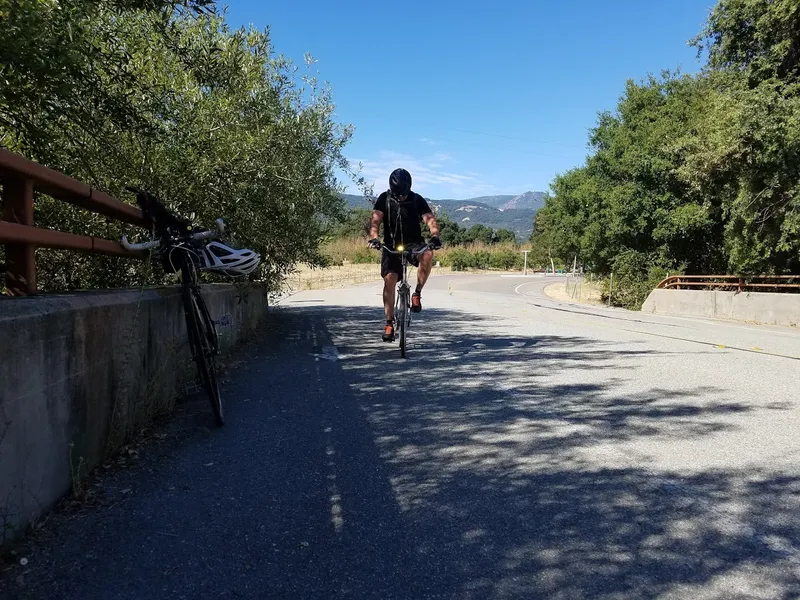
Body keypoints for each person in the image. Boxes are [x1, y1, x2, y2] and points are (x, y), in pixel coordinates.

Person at [367, 168, 441, 342]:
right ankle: (389, 323)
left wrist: (435, 236)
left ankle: (416, 294)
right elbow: (375, 222)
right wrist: (375, 239)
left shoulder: (416, 199)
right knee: (390, 279)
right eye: (398, 194)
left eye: (404, 193)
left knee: (428, 254)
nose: (401, 197)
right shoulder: (384, 198)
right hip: (391, 245)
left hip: (413, 243)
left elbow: (430, 219)